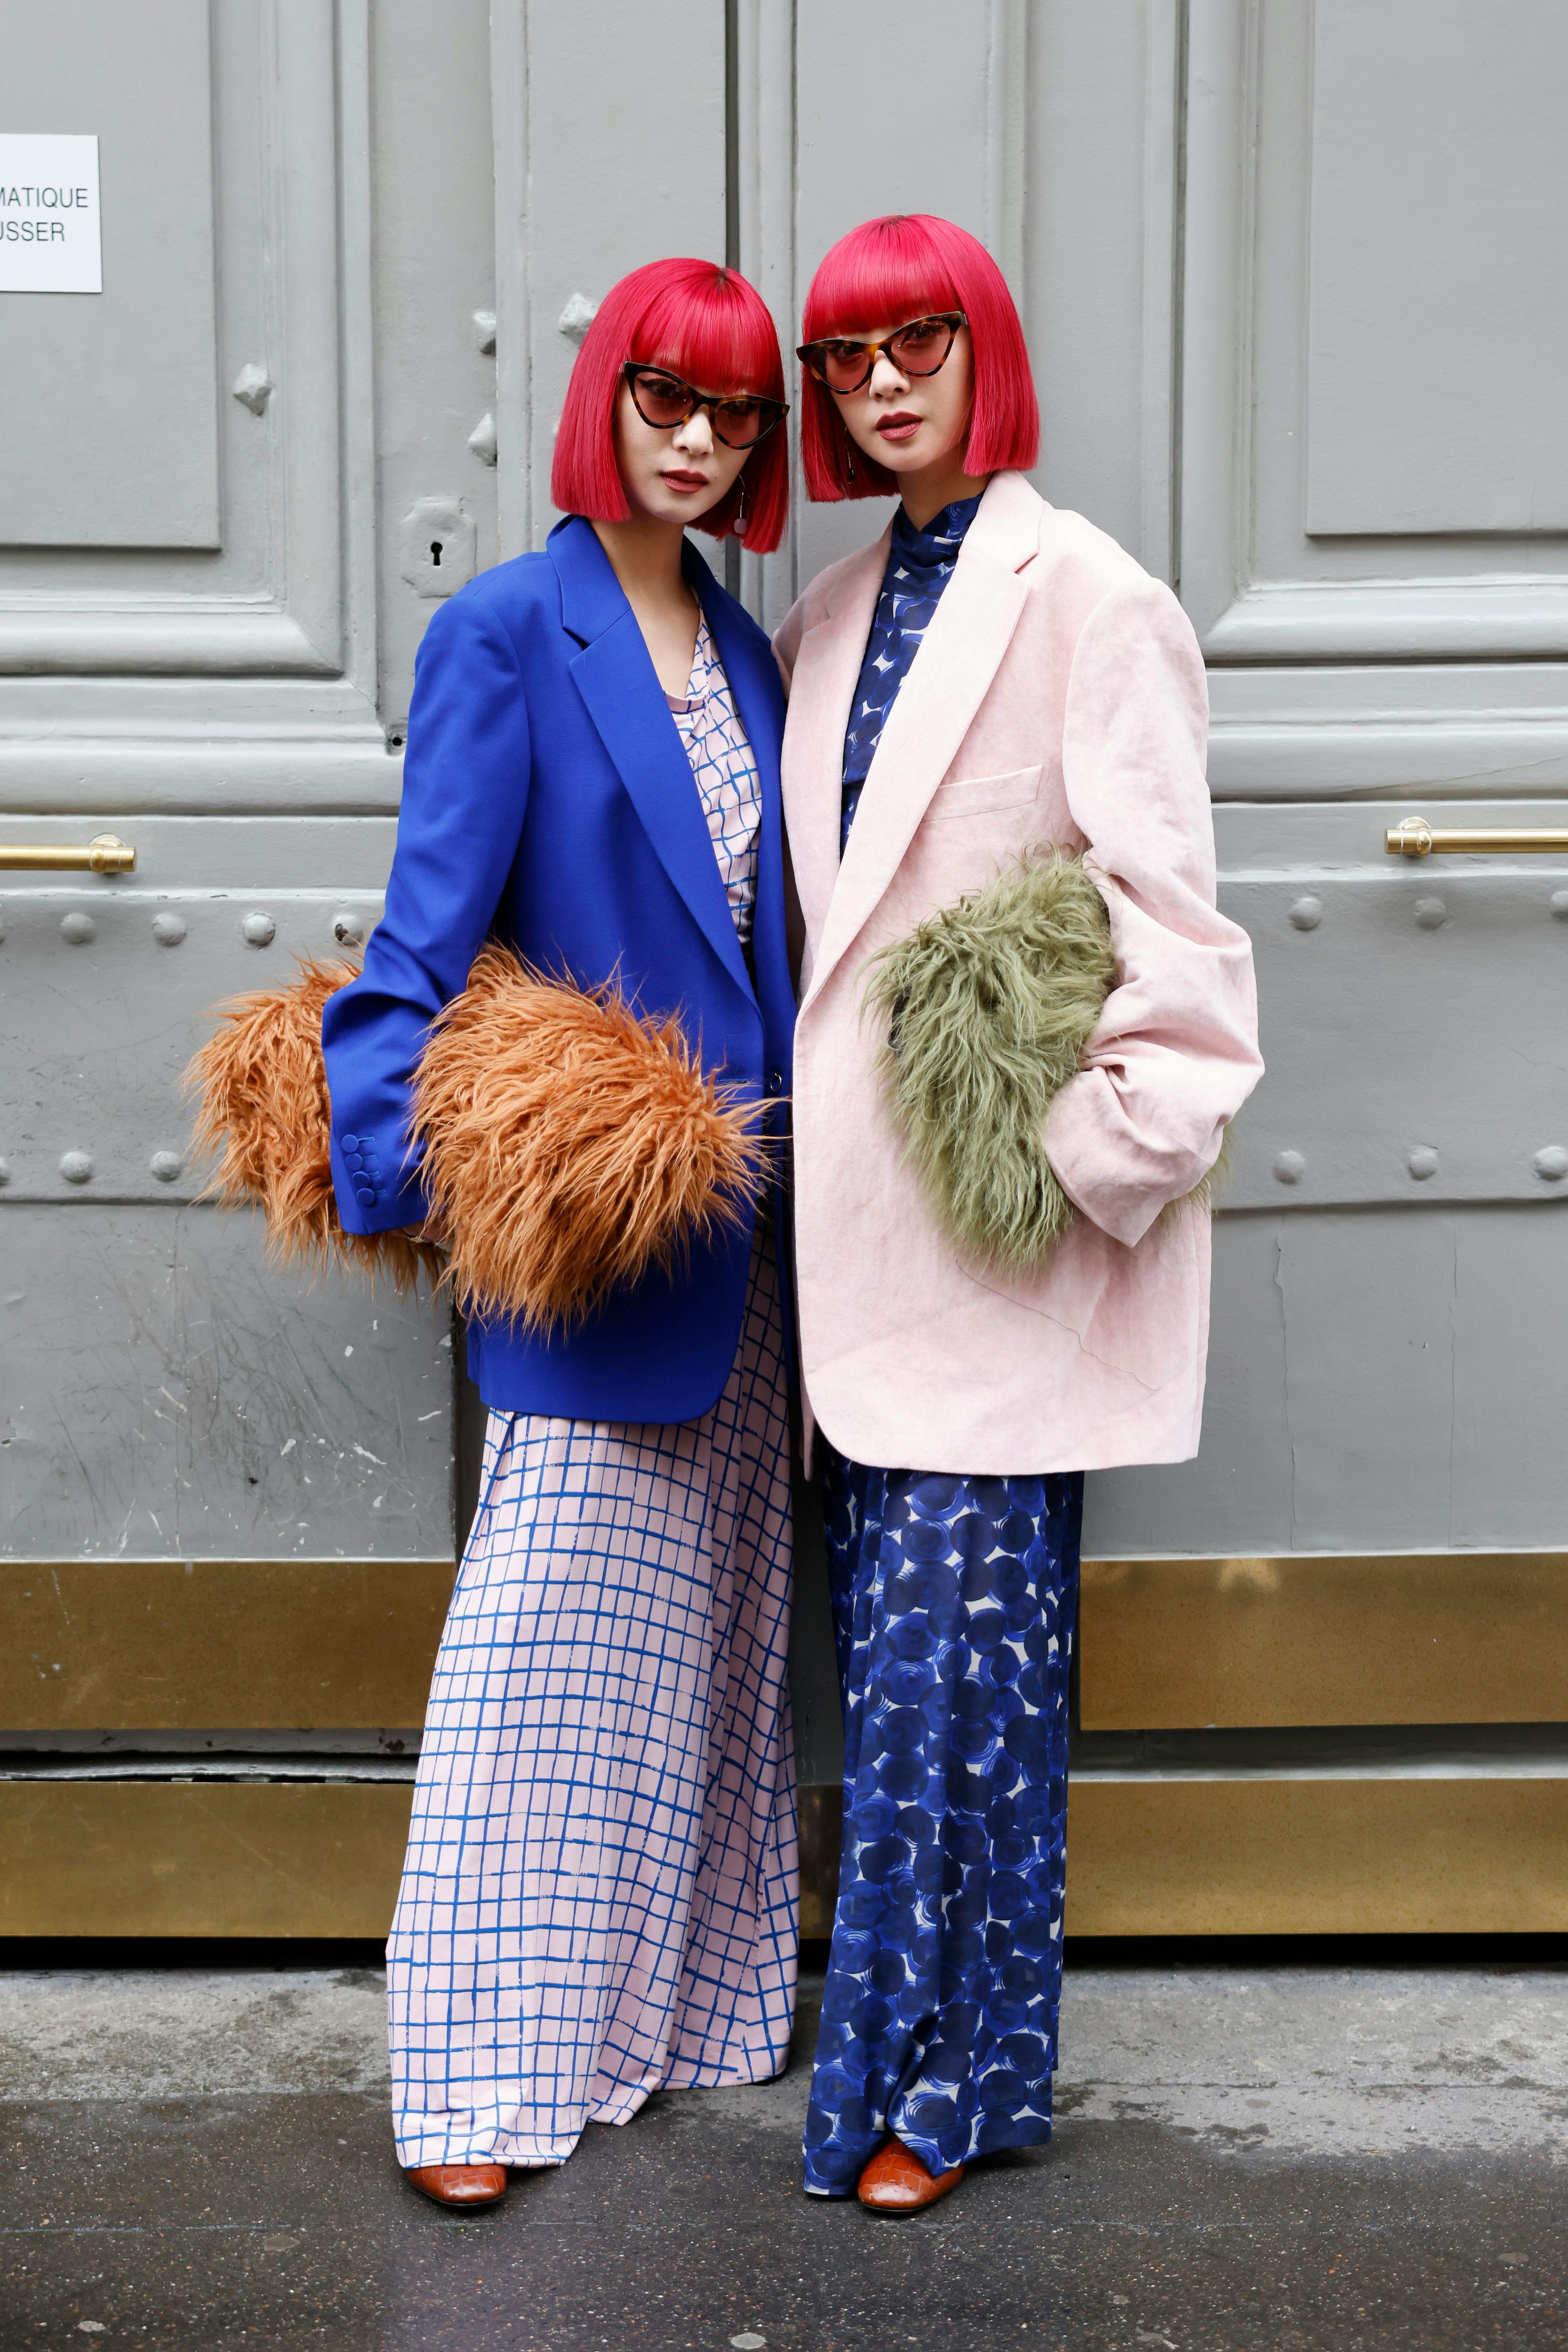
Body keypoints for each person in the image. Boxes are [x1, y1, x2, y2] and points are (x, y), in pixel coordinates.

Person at [774, 214, 1262, 2213]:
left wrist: (1070, 1162)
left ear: (985, 352)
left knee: (956, 1701)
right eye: (847, 356)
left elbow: (1183, 957)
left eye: (920, 341)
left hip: (1003, 1254)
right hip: (849, 1263)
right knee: (902, 1689)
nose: (884, 382)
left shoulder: (1097, 597)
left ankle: (948, 2091)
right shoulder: (819, 613)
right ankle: (927, 2069)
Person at [320, 258, 798, 2209]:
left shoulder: (750, 649)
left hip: (749, 1260)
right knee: (542, 1670)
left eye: (734, 415)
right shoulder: (506, 632)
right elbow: (423, 943)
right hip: (599, 1246)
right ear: (602, 397)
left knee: (708, 1659)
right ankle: (474, 2078)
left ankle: (667, 2019)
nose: (694, 439)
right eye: (664, 400)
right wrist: (412, 1191)